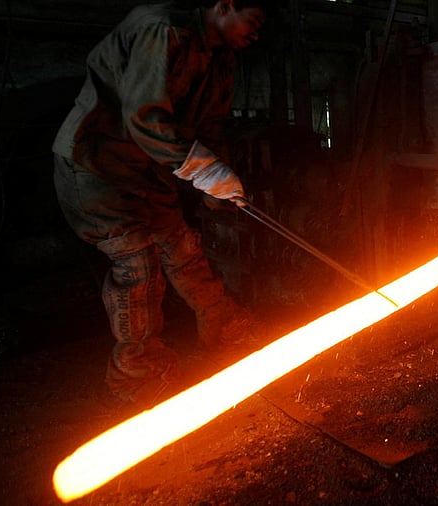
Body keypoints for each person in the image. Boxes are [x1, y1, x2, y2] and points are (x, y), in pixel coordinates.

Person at [52, 0, 273, 407]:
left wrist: (216, 183)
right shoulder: (161, 31)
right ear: (225, 6)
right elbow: (144, 119)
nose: (256, 34)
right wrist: (204, 172)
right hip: (97, 164)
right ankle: (136, 372)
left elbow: (210, 126)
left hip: (147, 169)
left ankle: (223, 326)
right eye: (253, 21)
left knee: (182, 247)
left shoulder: (221, 60)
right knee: (137, 263)